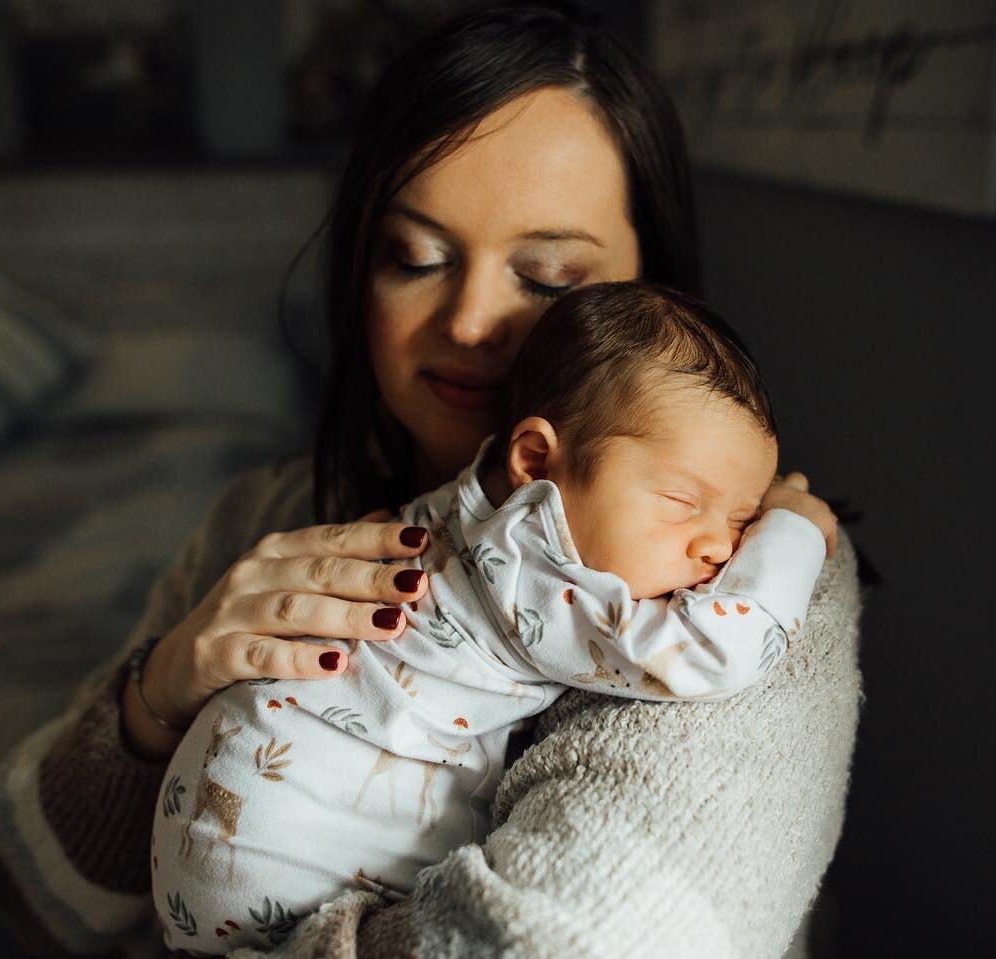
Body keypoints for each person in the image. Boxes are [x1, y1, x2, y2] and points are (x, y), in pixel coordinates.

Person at [0, 4, 862, 956]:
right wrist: (159, 691)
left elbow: (585, 943)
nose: (473, 319)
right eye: (416, 257)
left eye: (551, 278)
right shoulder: (264, 517)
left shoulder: (743, 579)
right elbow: (30, 898)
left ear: (654, 289)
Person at [153, 281, 834, 955]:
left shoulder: (471, 501)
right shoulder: (532, 563)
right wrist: (792, 532)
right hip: (288, 851)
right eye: (684, 500)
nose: (722, 548)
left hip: (213, 822)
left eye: (743, 518)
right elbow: (709, 650)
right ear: (536, 460)